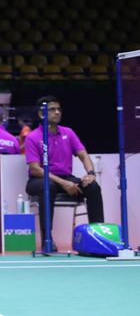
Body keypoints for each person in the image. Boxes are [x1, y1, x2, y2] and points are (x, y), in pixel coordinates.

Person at [24, 95, 104, 250]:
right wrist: (64, 183)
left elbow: (83, 154)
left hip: (66, 178)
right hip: (39, 180)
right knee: (49, 187)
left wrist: (91, 173)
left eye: (59, 109)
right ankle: (48, 240)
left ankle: (98, 235)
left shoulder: (69, 132)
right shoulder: (33, 137)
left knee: (93, 187)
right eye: (52, 109)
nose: (57, 112)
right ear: (42, 114)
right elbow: (35, 169)